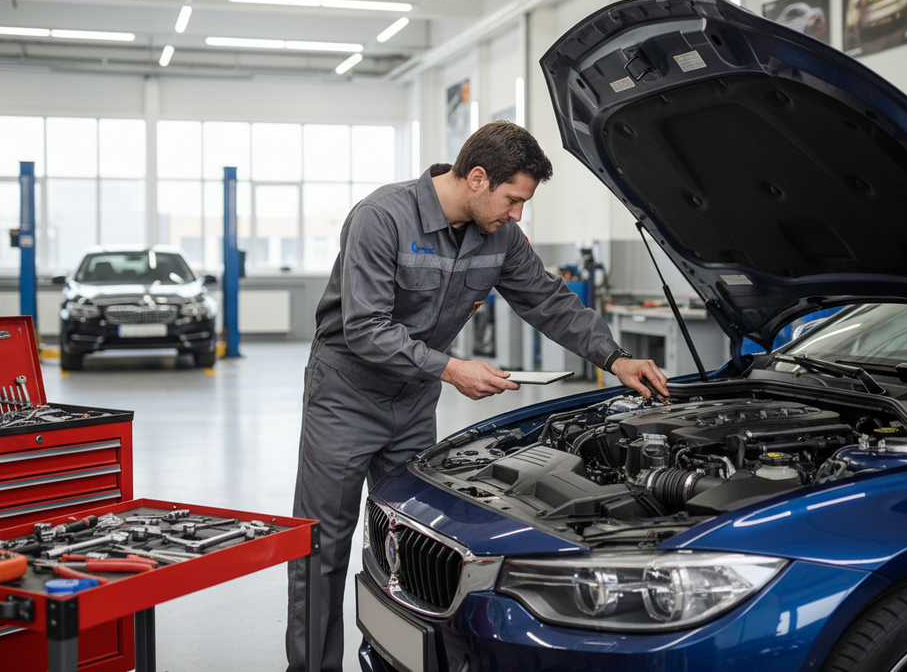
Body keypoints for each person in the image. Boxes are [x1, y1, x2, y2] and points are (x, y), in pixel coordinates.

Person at [285, 120, 668, 672]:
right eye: (513, 199)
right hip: (345, 395)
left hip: (414, 400)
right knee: (323, 548)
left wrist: (616, 358)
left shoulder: (500, 238)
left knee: (411, 540)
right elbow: (365, 328)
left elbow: (547, 301)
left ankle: (404, 658)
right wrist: (452, 369)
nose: (516, 215)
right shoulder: (382, 217)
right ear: (478, 178)